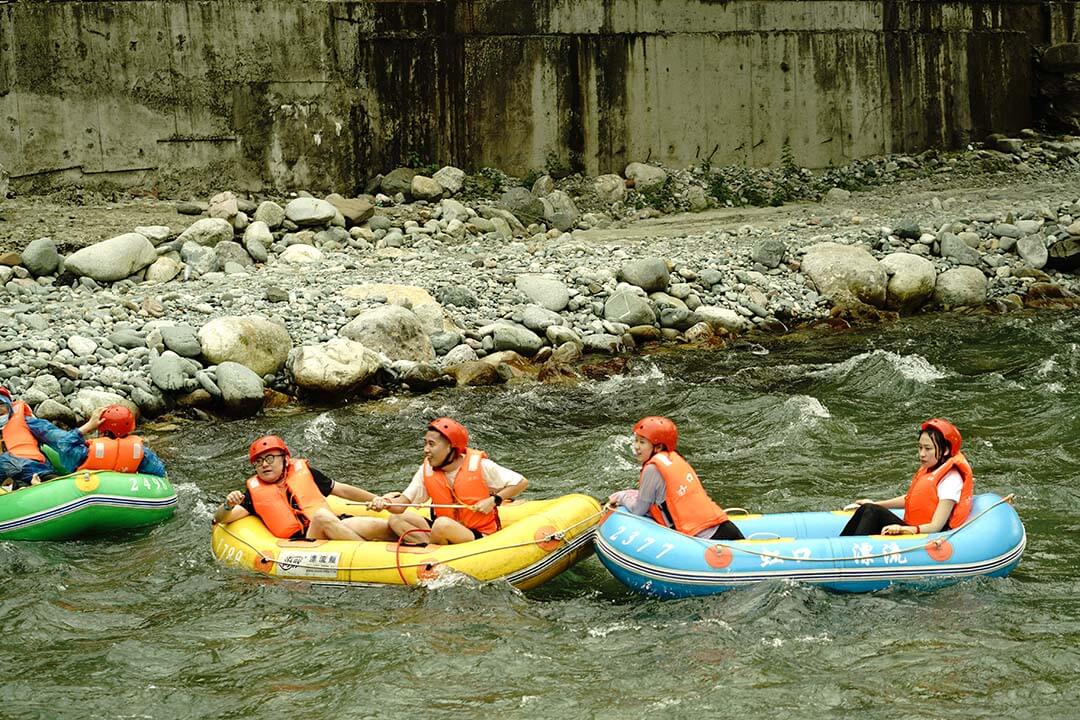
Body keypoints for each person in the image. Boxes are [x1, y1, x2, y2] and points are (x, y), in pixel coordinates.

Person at [368, 418, 529, 545]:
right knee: (396, 519)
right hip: (443, 529)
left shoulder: (480, 466)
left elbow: (520, 482)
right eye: (425, 443)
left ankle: (431, 548)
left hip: (477, 534)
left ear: (450, 448)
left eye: (432, 444)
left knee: (442, 524)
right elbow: (401, 505)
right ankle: (428, 549)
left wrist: (494, 500)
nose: (426, 450)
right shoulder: (426, 470)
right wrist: (384, 503)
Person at [213, 435, 394, 542]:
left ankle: (418, 541)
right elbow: (221, 518)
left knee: (378, 525)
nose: (264, 465)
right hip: (306, 539)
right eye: (258, 462)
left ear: (284, 459)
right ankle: (365, 553)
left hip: (335, 524)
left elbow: (343, 490)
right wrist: (228, 505)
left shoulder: (305, 472)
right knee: (322, 517)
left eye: (269, 458)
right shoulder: (253, 494)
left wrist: (379, 498)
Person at [608, 416, 744, 541]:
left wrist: (621, 497)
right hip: (725, 527)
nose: (636, 446)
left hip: (708, 539)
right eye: (636, 440)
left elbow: (639, 510)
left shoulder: (652, 469)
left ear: (658, 447)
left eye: (642, 442)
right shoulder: (674, 457)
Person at [1, 390, 165, 488]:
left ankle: (26, 488)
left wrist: (86, 428)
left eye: (1, 409)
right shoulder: (141, 452)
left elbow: (63, 441)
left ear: (9, 407)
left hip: (34, 473)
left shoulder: (29, 423)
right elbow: (159, 473)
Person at [839, 418, 974, 536]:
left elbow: (936, 526)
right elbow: (912, 499)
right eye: (920, 447)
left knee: (872, 511)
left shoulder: (951, 479)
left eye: (928, 449)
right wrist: (876, 503)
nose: (921, 454)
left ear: (945, 450)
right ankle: (842, 546)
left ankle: (848, 552)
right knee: (868, 508)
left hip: (925, 536)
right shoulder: (930, 470)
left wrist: (904, 529)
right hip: (912, 528)